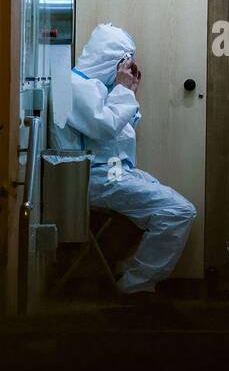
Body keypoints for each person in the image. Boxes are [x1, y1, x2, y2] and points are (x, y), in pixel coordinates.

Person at [54, 22, 196, 294]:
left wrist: (128, 92)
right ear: (112, 59)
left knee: (178, 209)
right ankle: (136, 284)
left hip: (114, 173)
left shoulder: (96, 86)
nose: (128, 68)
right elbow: (104, 126)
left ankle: (131, 272)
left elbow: (119, 132)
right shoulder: (74, 85)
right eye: (124, 62)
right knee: (178, 211)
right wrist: (122, 90)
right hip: (96, 177)